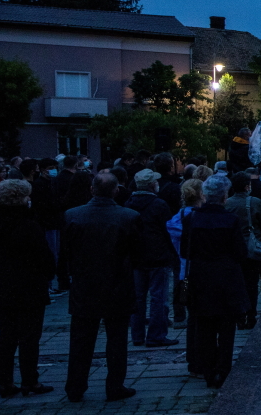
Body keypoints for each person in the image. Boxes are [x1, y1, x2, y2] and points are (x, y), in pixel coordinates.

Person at [62, 171, 140, 402]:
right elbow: (137, 252)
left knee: (81, 340)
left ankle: (75, 386)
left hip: (85, 285)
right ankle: (115, 385)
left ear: (92, 189)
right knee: (116, 340)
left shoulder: (72, 215)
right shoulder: (129, 217)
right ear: (116, 191)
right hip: (117, 284)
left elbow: (66, 253)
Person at [0, 180, 56, 398]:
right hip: (29, 285)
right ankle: (29, 380)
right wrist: (47, 274)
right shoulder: (28, 225)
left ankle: (5, 382)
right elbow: (43, 256)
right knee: (29, 336)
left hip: (2, 283)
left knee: (6, 334)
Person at [183, 175, 251, 387]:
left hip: (201, 276)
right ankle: (223, 369)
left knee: (204, 325)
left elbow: (186, 250)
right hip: (226, 277)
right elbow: (241, 253)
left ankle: (208, 370)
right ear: (224, 195)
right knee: (226, 326)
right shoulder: (230, 220)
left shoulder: (192, 218)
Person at [124, 169, 179, 347]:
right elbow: (168, 230)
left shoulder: (129, 204)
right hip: (158, 255)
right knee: (158, 297)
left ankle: (137, 335)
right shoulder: (159, 205)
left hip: (136, 256)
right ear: (151, 185)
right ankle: (156, 334)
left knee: (138, 298)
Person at [167, 179, 204, 373]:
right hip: (199, 272)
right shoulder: (201, 218)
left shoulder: (177, 218)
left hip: (184, 271)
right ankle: (202, 357)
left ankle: (193, 358)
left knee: (192, 318)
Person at [224, 173, 261, 330]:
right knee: (252, 283)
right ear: (246, 186)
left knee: (237, 283)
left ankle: (239, 316)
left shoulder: (227, 203)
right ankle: (251, 315)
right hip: (251, 248)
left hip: (232, 248)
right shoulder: (255, 202)